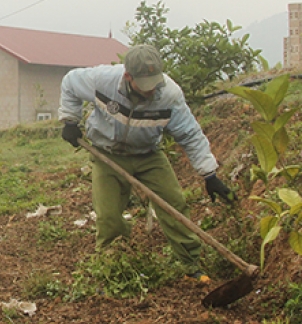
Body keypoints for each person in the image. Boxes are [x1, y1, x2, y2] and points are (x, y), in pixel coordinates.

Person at [57, 44, 233, 282]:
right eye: (145, 84)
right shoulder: (102, 80)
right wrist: (70, 120)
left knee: (174, 204)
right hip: (106, 154)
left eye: (155, 82)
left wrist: (209, 174)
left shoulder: (169, 94)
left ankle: (191, 266)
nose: (152, 90)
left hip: (148, 154)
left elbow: (189, 134)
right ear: (128, 76)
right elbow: (69, 82)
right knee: (108, 216)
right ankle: (113, 265)